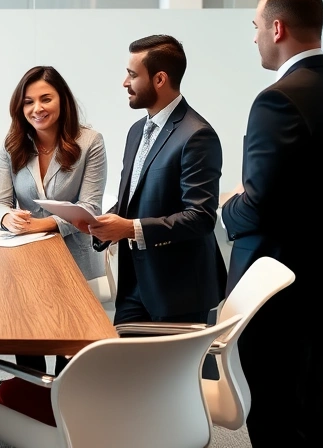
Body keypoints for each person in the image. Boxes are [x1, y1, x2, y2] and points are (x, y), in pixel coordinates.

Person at [222, 0, 323, 447]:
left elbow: (261, 204)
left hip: (280, 291)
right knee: (305, 408)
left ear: (278, 27)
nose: (255, 37)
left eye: (256, 26)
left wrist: (229, 207)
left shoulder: (278, 99)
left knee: (275, 419)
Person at [90, 35, 226, 326]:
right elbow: (134, 201)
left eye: (132, 75)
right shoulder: (137, 131)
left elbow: (200, 218)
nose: (124, 83)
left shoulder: (197, 135)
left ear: (160, 79)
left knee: (168, 372)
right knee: (123, 367)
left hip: (178, 291)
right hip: (134, 285)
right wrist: (100, 224)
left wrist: (129, 228)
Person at [0, 65, 106, 375]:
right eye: (28, 101)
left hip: (73, 261)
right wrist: (7, 218)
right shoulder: (13, 143)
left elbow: (90, 206)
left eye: (45, 99)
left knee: (68, 349)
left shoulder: (90, 142)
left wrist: (42, 225)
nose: (37, 108)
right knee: (27, 342)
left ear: (62, 100)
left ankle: (62, 410)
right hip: (24, 261)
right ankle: (32, 404)